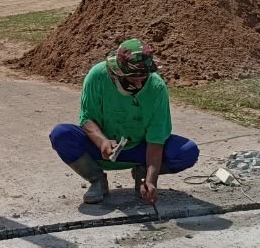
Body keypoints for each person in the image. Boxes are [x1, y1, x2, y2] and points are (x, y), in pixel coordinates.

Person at [49, 39, 199, 208]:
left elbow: (156, 141)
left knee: (187, 152)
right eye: (132, 78)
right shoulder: (97, 76)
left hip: (140, 150)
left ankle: (141, 173)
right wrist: (102, 142)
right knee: (61, 134)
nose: (138, 84)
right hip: (101, 150)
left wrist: (150, 180)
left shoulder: (157, 88)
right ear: (117, 72)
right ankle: (97, 180)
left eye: (143, 78)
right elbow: (87, 119)